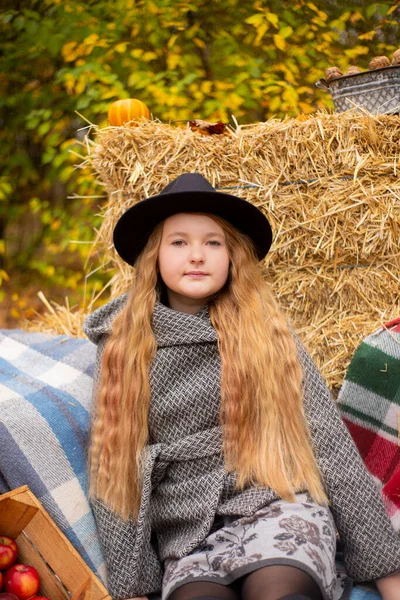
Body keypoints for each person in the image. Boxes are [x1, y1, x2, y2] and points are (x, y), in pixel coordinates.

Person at [82, 173, 400, 600]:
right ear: (153, 256)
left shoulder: (265, 334)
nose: (196, 255)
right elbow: (115, 467)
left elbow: (331, 449)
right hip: (189, 534)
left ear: (232, 256)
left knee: (280, 593)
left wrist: (386, 572)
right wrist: (134, 586)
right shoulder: (124, 348)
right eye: (179, 242)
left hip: (277, 505)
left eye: (213, 243)